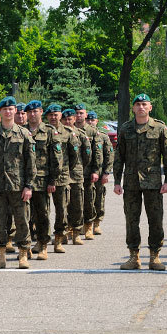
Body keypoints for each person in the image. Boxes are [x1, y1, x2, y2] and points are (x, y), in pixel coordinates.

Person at [113, 94, 167, 270]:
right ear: (133, 108)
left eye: (144, 104)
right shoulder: (126, 129)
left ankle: (155, 256)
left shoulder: (160, 128)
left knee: (155, 220)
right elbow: (119, 157)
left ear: (150, 107)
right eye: (138, 104)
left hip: (153, 182)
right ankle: (134, 256)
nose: (141, 107)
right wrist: (117, 181)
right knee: (132, 220)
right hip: (131, 182)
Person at [0, 96, 36, 269]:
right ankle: (0, 257)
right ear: (1, 112)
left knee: (22, 221)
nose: (8, 112)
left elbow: (31, 163)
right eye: (4, 109)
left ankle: (22, 255)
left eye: (11, 109)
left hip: (18, 186)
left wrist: (29, 186)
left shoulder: (24, 134)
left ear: (15, 111)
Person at [24, 100, 60, 260]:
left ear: (41, 112)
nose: (32, 114)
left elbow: (56, 158)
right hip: (23, 181)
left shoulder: (49, 131)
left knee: (42, 214)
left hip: (42, 181)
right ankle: (28, 244)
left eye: (35, 111)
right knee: (25, 216)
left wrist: (52, 180)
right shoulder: (21, 131)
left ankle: (43, 244)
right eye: (30, 112)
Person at [45, 104, 81, 252]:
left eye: (56, 114)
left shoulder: (67, 133)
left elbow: (75, 156)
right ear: (46, 116)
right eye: (51, 114)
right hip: (42, 176)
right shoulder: (43, 131)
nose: (53, 117)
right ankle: (43, 239)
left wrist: (65, 170)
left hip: (62, 177)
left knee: (61, 210)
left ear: (60, 115)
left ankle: (59, 237)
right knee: (41, 211)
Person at [61, 108, 92, 244]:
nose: (68, 122)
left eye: (70, 119)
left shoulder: (81, 134)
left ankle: (76, 232)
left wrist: (80, 167)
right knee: (63, 204)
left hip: (77, 173)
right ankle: (64, 231)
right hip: (62, 174)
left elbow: (87, 155)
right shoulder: (58, 134)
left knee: (78, 204)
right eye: (65, 119)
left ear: (74, 119)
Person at [74, 103, 103, 240]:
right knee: (73, 202)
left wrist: (96, 170)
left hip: (88, 172)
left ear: (85, 115)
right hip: (73, 173)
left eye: (81, 113)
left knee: (89, 201)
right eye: (77, 113)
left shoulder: (92, 132)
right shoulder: (69, 130)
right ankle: (74, 227)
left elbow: (97, 153)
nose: (79, 115)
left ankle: (88, 227)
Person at [86, 111, 113, 235]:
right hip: (85, 173)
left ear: (97, 121)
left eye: (93, 120)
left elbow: (109, 155)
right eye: (88, 120)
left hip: (100, 173)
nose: (90, 122)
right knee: (85, 199)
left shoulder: (103, 136)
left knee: (99, 198)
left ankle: (97, 223)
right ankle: (85, 224)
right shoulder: (80, 134)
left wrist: (107, 172)